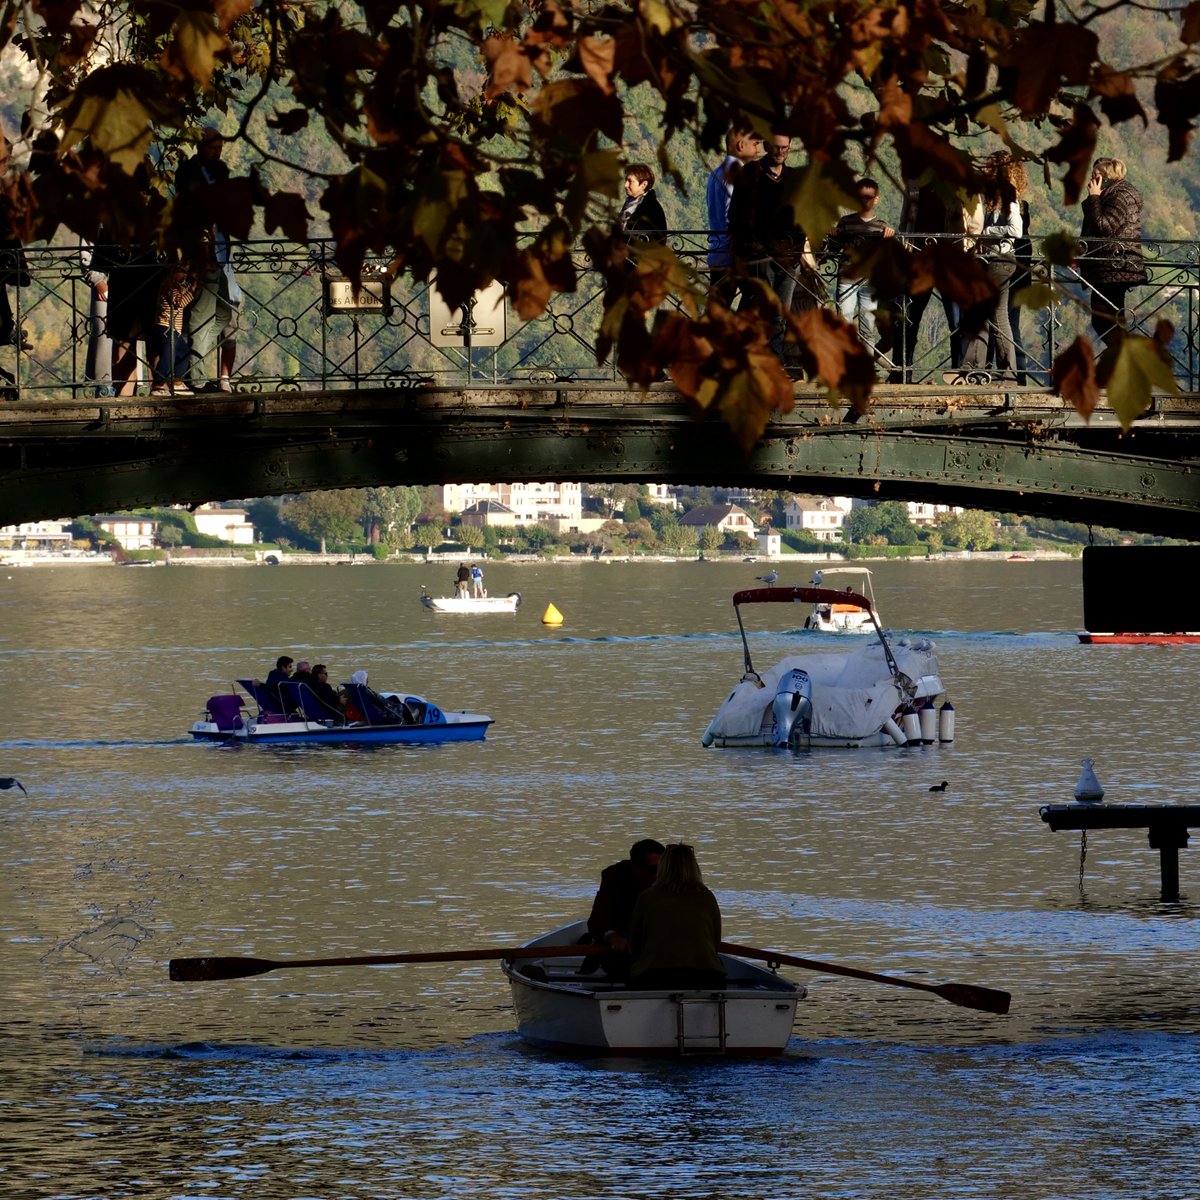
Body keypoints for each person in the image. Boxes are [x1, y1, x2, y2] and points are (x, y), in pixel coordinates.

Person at [727, 132, 811, 357]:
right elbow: (736, 214)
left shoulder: (794, 178)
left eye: (785, 148)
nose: (780, 152)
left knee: (780, 311)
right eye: (776, 147)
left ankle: (773, 358)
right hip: (758, 254)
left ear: (790, 147)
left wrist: (797, 246)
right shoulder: (751, 173)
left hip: (788, 255)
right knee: (760, 306)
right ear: (766, 145)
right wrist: (749, 245)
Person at [178, 126, 242, 393]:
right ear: (200, 147)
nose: (217, 154)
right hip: (203, 254)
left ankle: (193, 363)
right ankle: (197, 378)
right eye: (213, 149)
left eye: (220, 149)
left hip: (222, 253)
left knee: (225, 314)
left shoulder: (219, 171)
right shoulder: (188, 172)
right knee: (200, 318)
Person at [628, 843, 725, 991]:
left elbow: (635, 946)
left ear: (663, 867)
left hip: (655, 977)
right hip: (707, 976)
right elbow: (715, 943)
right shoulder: (707, 897)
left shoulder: (647, 897)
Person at [960, 153, 1024, 377]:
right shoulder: (996, 194)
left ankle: (976, 368)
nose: (985, 169)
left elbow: (1016, 229)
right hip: (998, 260)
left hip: (999, 261)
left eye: (989, 166)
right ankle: (1004, 371)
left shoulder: (1007, 192)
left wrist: (986, 232)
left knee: (986, 313)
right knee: (996, 315)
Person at [1078, 157, 1147, 351]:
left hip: (1114, 267)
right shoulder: (1114, 194)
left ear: (1107, 178)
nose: (1091, 180)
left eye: (1096, 176)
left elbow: (1104, 227)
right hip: (1111, 266)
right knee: (1111, 320)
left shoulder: (1119, 196)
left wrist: (1093, 198)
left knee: (1104, 321)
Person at [829, 177, 896, 367]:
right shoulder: (846, 222)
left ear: (876, 199)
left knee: (868, 323)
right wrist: (833, 234)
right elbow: (833, 249)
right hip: (848, 277)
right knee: (845, 319)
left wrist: (889, 237)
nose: (864, 200)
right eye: (861, 197)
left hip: (869, 281)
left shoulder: (881, 226)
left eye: (868, 197)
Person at [584, 838, 664, 977]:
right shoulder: (615, 878)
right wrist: (611, 936)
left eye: (664, 869)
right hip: (624, 946)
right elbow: (597, 920)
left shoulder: (672, 880)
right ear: (636, 869)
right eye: (654, 870)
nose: (660, 875)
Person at [705, 126, 762, 305]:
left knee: (719, 307)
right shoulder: (737, 175)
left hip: (717, 250)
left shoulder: (716, 173)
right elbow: (733, 215)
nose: (759, 150)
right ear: (740, 146)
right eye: (755, 144)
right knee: (757, 299)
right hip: (733, 255)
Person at [149, 262, 198, 396]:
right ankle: (158, 384)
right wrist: (193, 288)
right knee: (168, 355)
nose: (184, 276)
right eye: (183, 272)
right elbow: (179, 303)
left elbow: (182, 295)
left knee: (184, 353)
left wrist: (190, 285)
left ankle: (176, 381)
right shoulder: (169, 283)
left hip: (173, 328)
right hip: (165, 326)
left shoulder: (176, 284)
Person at [619, 164, 667, 242]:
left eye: (630, 181)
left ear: (643, 185)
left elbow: (657, 239)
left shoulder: (652, 209)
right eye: (626, 180)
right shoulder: (630, 202)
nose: (625, 185)